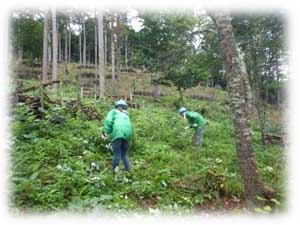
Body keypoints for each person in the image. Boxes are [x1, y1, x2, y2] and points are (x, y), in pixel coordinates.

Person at [102, 100, 132, 172]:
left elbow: (108, 121)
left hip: (118, 133)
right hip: (128, 134)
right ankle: (127, 171)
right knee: (124, 154)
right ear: (125, 107)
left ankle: (115, 171)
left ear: (116, 106)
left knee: (117, 154)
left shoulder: (113, 112)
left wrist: (106, 132)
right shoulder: (127, 114)